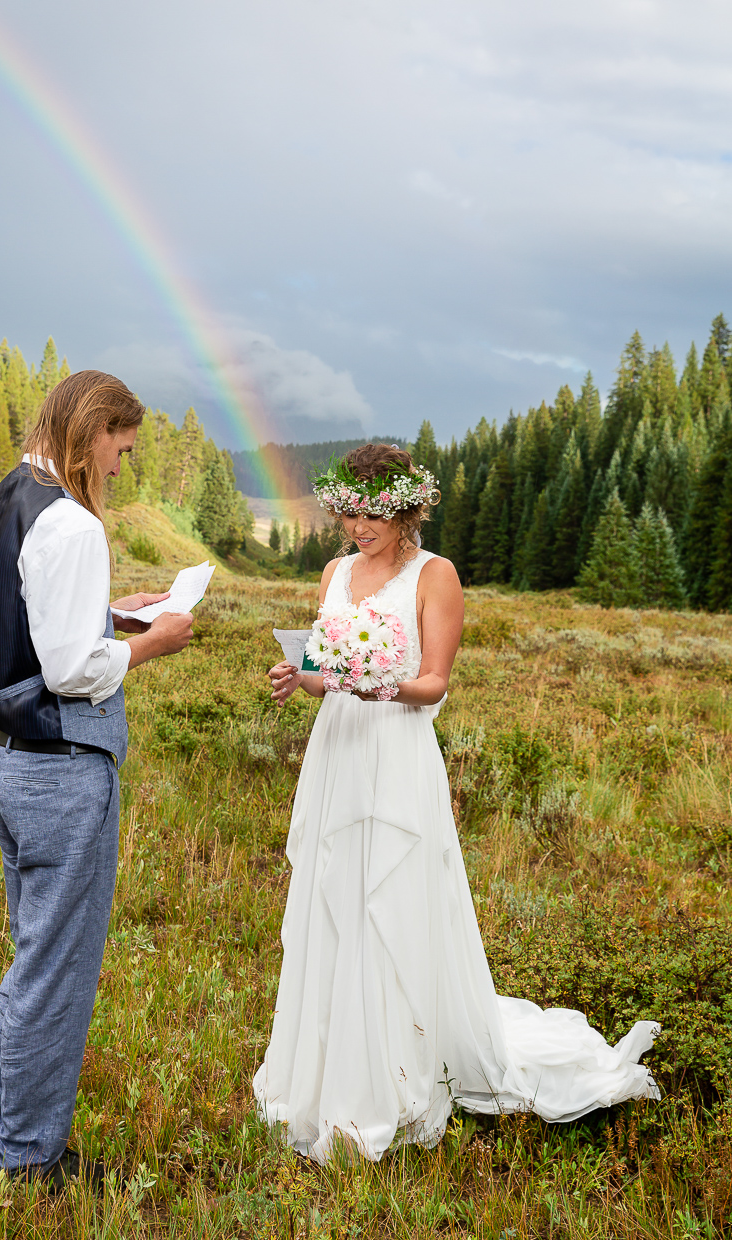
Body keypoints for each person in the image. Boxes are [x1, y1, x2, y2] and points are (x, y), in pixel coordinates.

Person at [253, 443, 660, 1164]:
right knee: (334, 898)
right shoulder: (334, 573)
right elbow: (325, 669)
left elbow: (432, 681)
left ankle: (399, 1074)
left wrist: (378, 684)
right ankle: (329, 1067)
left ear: (407, 507)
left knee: (392, 902)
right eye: (347, 512)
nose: (357, 527)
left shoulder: (434, 575)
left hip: (396, 747)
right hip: (339, 747)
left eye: (372, 513)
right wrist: (300, 678)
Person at [0, 371, 193, 1188]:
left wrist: (106, 612)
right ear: (93, 430)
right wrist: (154, 640)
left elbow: (27, 625)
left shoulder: (2, 502)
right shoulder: (71, 523)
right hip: (62, 774)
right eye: (121, 449)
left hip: (5, 763)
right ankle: (28, 1159)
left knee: (33, 959)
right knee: (56, 971)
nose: (122, 468)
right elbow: (67, 669)